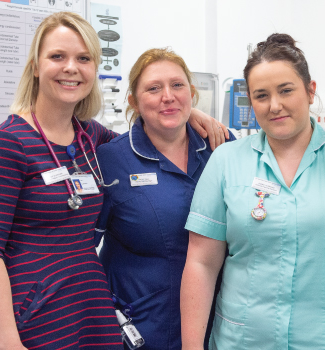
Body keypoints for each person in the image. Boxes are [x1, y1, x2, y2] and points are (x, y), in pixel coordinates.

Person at [0, 12, 228, 350]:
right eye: (57, 56)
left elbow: (141, 141)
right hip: (27, 321)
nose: (71, 67)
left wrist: (184, 111)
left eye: (83, 58)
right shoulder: (8, 143)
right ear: (35, 66)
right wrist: (8, 342)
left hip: (87, 317)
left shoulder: (89, 138)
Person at [180, 33, 325, 350]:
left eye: (286, 90)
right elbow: (201, 264)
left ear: (310, 91)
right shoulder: (226, 162)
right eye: (261, 95)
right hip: (243, 341)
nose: (275, 105)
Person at [95, 47, 234, 350]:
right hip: (143, 328)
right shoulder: (111, 159)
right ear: (133, 101)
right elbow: (80, 248)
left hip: (220, 325)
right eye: (153, 88)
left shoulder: (222, 148)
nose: (167, 96)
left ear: (192, 93)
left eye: (177, 85)